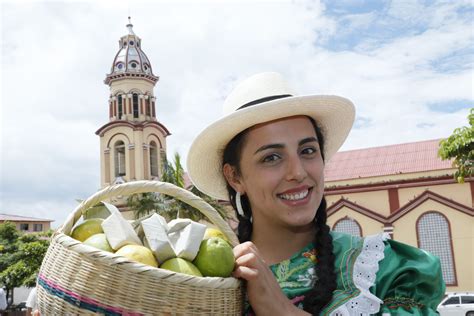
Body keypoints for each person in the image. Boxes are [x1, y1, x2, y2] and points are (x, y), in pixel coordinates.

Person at [187, 72, 445, 315]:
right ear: (235, 177)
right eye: (272, 157)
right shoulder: (198, 278)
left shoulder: (383, 269)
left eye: (308, 151)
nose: (297, 172)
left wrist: (281, 309)